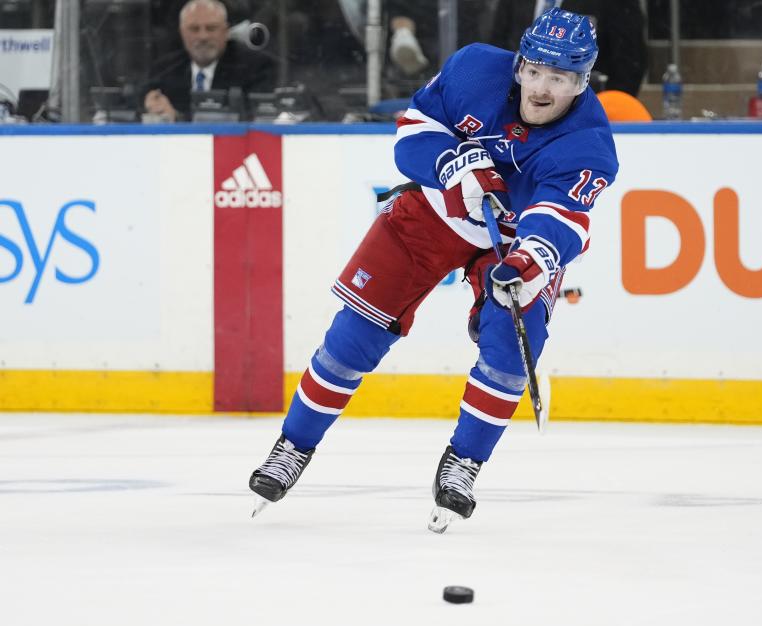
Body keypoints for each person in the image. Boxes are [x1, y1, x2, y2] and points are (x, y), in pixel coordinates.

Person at [247, 8, 618, 533]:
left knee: (511, 348)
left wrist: (524, 263)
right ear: (518, 65)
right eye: (534, 70)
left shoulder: (588, 144)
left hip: (511, 242)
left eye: (558, 78)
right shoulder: (473, 71)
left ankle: (463, 463)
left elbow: (560, 221)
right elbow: (412, 132)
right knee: (354, 335)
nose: (541, 87)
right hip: (433, 213)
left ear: (580, 82)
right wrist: (452, 164)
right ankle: (292, 447)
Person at [141, 0, 275, 122]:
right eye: (194, 29)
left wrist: (178, 118)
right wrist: (153, 106)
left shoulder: (256, 67)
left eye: (211, 28)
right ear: (182, 32)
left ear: (225, 31)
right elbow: (133, 108)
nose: (203, 36)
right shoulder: (164, 70)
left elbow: (249, 117)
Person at [488, 0, 648, 96]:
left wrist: (601, 109)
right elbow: (498, 49)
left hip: (583, 116)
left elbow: (630, 63)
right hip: (516, 107)